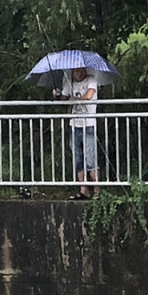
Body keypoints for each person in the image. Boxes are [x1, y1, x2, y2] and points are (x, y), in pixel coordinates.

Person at [54, 67, 99, 200]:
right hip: (74, 124)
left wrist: (73, 98)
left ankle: (97, 191)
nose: (77, 73)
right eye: (75, 71)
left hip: (89, 124)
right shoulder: (69, 81)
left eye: (79, 70)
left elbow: (89, 96)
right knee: (78, 159)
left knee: (91, 160)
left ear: (84, 70)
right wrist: (58, 95)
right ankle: (83, 190)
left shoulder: (92, 79)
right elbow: (64, 97)